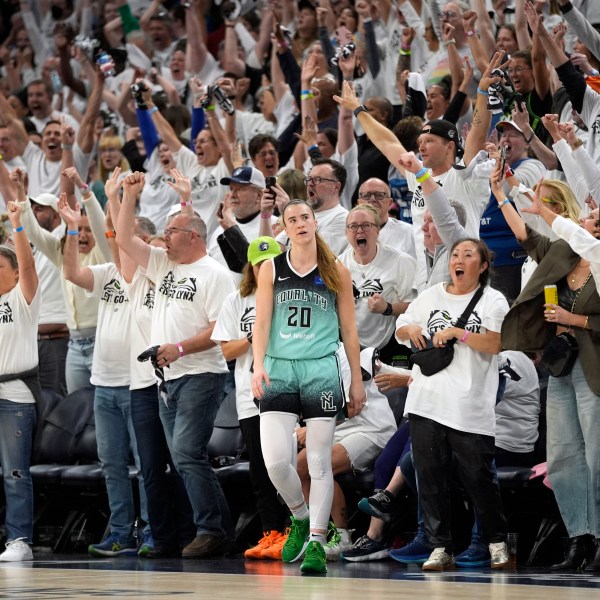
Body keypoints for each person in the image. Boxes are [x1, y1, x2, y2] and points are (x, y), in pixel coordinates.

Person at [116, 171, 237, 559]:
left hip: (203, 374)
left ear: (193, 237)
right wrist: (129, 195)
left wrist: (180, 348)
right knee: (185, 457)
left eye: (172, 230)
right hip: (168, 379)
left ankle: (211, 529)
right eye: (165, 229)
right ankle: (220, 529)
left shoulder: (215, 275)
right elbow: (122, 238)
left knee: (186, 452)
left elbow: (221, 330)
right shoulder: (162, 264)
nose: (164, 236)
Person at [395, 177, 511, 570]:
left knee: (479, 478)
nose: (458, 259)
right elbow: (403, 327)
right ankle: (439, 545)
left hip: (470, 403)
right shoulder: (430, 296)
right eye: (455, 254)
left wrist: (461, 332)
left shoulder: (494, 299)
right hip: (427, 399)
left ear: (482, 264)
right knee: (429, 476)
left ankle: (496, 541)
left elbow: (495, 344)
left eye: (467, 254)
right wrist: (410, 329)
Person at [251, 199, 366, 574]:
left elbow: (350, 331)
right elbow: (262, 323)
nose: (300, 223)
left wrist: (357, 380)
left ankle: (316, 540)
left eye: (305, 217)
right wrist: (256, 365)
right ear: (284, 228)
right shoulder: (270, 268)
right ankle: (299, 515)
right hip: (279, 367)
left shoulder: (337, 271)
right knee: (276, 462)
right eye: (292, 219)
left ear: (315, 222)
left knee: (318, 461)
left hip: (320, 368)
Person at [499, 172, 600, 573]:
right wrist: (502, 193)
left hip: (593, 366)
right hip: (561, 366)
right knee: (561, 458)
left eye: (597, 222)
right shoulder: (562, 254)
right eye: (592, 219)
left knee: (596, 455)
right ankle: (580, 538)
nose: (592, 222)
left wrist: (573, 319)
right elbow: (527, 236)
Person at [212, 236, 290, 561]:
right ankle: (271, 533)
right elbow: (227, 349)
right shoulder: (236, 301)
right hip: (248, 396)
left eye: (271, 262)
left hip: (285, 392)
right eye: (259, 264)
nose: (265, 269)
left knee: (283, 466)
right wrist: (255, 334)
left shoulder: (290, 298)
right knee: (260, 471)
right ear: (250, 267)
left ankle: (294, 530)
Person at [0, 201, 40, 562]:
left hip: (15, 396)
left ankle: (20, 540)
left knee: (15, 472)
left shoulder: (22, 297)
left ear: (13, 273)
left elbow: (28, 264)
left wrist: (17, 225)